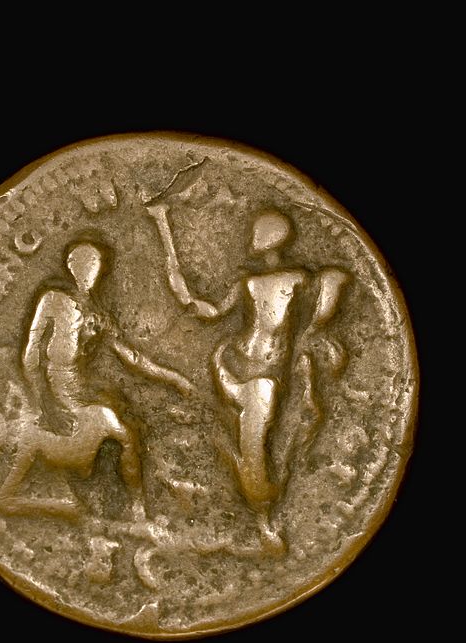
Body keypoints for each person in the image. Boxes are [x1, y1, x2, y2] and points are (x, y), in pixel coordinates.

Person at [148, 205, 347, 535]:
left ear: (270, 239)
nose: (251, 239)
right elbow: (207, 311)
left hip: (265, 371)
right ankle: (263, 518)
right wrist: (169, 252)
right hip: (245, 368)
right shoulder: (253, 282)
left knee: (255, 444)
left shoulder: (295, 279)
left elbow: (325, 301)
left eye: (257, 233)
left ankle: (262, 511)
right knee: (253, 446)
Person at [0, 241, 192, 519]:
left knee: (127, 429)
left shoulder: (97, 313)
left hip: (82, 386)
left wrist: (173, 379)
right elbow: (31, 353)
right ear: (72, 268)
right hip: (55, 388)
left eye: (94, 267)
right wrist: (43, 402)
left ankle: (135, 505)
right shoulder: (53, 299)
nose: (89, 273)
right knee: (115, 429)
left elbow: (130, 356)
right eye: (83, 266)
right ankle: (116, 502)